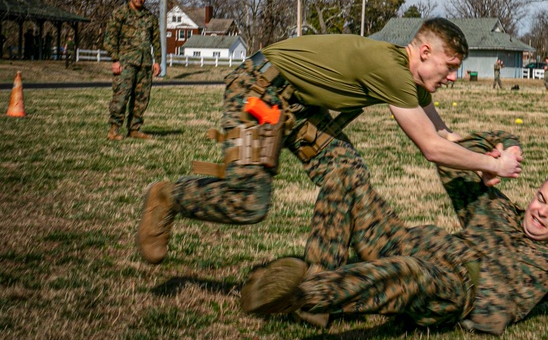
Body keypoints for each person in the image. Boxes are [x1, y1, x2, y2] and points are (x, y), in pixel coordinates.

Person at [136, 18, 523, 266]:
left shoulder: (413, 81)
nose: (454, 77)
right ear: (424, 52)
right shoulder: (391, 69)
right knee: (249, 201)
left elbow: (445, 136)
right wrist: (495, 167)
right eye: (450, 67)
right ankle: (169, 196)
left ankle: (321, 277)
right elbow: (431, 149)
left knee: (346, 174)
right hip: (260, 95)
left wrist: (485, 156)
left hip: (299, 108)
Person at [240, 131, 548, 340]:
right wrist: (500, 148)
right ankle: (319, 279)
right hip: (406, 239)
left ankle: (303, 293)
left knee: (406, 275)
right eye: (540, 199)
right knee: (344, 180)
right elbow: (452, 158)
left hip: (457, 288)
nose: (541, 211)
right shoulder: (496, 208)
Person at [104, 0, 161, 140]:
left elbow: (156, 40)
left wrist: (157, 61)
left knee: (142, 98)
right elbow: (109, 39)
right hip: (125, 62)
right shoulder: (120, 13)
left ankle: (134, 129)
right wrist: (115, 59)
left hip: (145, 64)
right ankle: (114, 129)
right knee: (121, 96)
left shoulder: (150, 17)